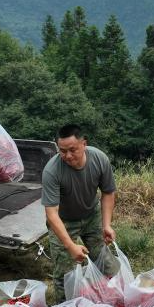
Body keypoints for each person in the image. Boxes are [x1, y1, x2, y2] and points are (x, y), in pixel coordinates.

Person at [42, 124, 118, 295]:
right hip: (64, 221)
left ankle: (114, 298)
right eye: (62, 151)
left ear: (84, 144)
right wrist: (70, 245)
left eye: (72, 150)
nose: (67, 156)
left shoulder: (99, 159)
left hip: (92, 215)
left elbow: (108, 192)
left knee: (105, 262)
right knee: (65, 275)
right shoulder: (52, 171)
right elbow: (51, 214)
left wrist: (106, 225)